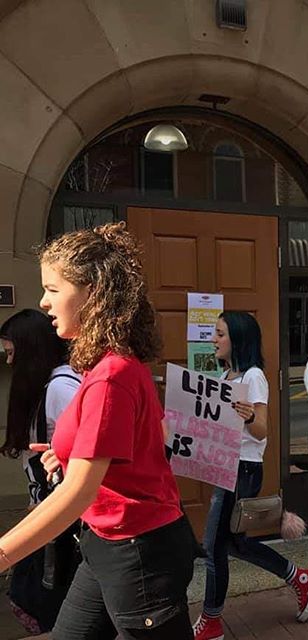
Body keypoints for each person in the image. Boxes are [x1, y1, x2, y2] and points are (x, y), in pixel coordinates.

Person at [0, 222, 195, 639]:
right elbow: (151, 442)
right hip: (108, 544)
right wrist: (72, 454)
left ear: (92, 292)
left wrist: (1, 554)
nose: (43, 302)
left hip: (140, 554)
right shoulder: (110, 365)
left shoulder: (111, 374)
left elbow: (76, 495)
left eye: (53, 289)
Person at [193, 311, 308, 640]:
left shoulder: (253, 377)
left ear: (237, 338)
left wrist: (250, 415)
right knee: (235, 542)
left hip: (243, 469)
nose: (214, 340)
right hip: (226, 467)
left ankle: (211, 621)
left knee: (213, 546)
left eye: (220, 334)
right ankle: (300, 577)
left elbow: (262, 431)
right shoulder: (227, 377)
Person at [0, 308, 81, 633]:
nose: (8, 362)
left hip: (61, 520)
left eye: (11, 353)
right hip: (50, 513)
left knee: (50, 605)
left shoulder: (61, 389)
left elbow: (88, 455)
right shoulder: (54, 385)